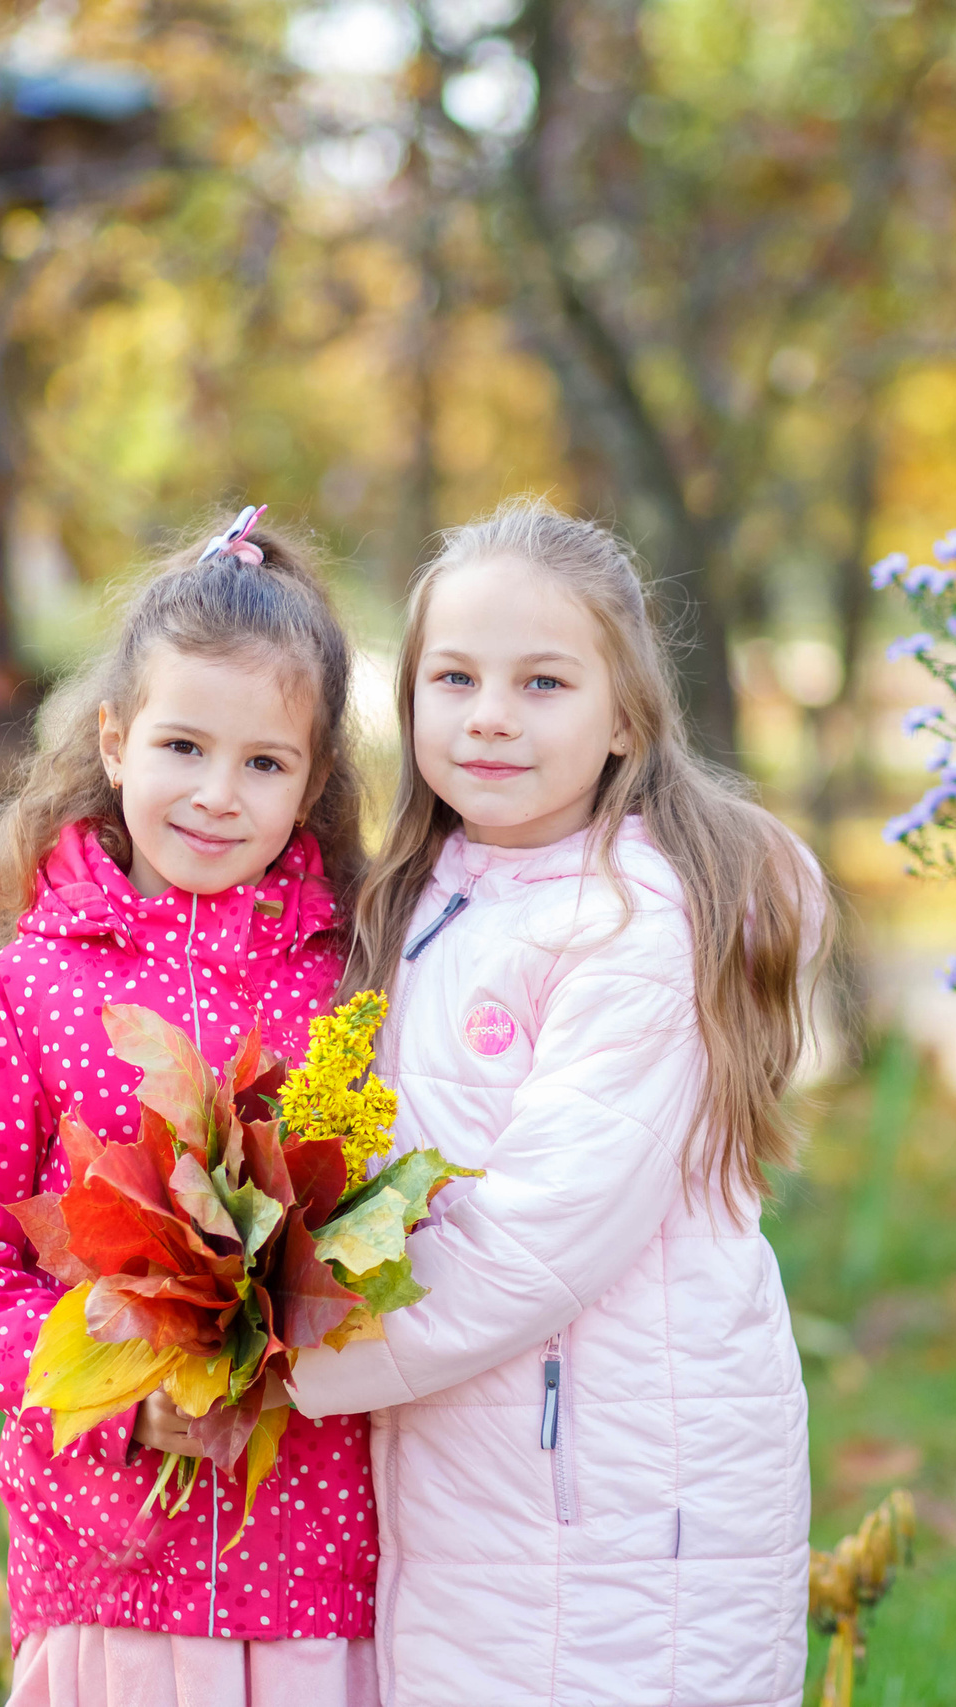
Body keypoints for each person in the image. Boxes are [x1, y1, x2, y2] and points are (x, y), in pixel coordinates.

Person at [288, 497, 825, 1706]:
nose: (488, 716)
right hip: (479, 1475)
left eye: (542, 683)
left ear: (625, 714)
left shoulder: (638, 923)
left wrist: (276, 1373)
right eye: (455, 677)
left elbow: (523, 1246)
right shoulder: (420, 900)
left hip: (625, 1498)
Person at [0, 508, 380, 1707]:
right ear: (114, 741)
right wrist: (113, 1392)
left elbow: (376, 1220)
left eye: (264, 764)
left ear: (313, 783)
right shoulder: (34, 988)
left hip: (315, 1551)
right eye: (182, 747)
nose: (217, 795)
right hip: (108, 1555)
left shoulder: (351, 982)